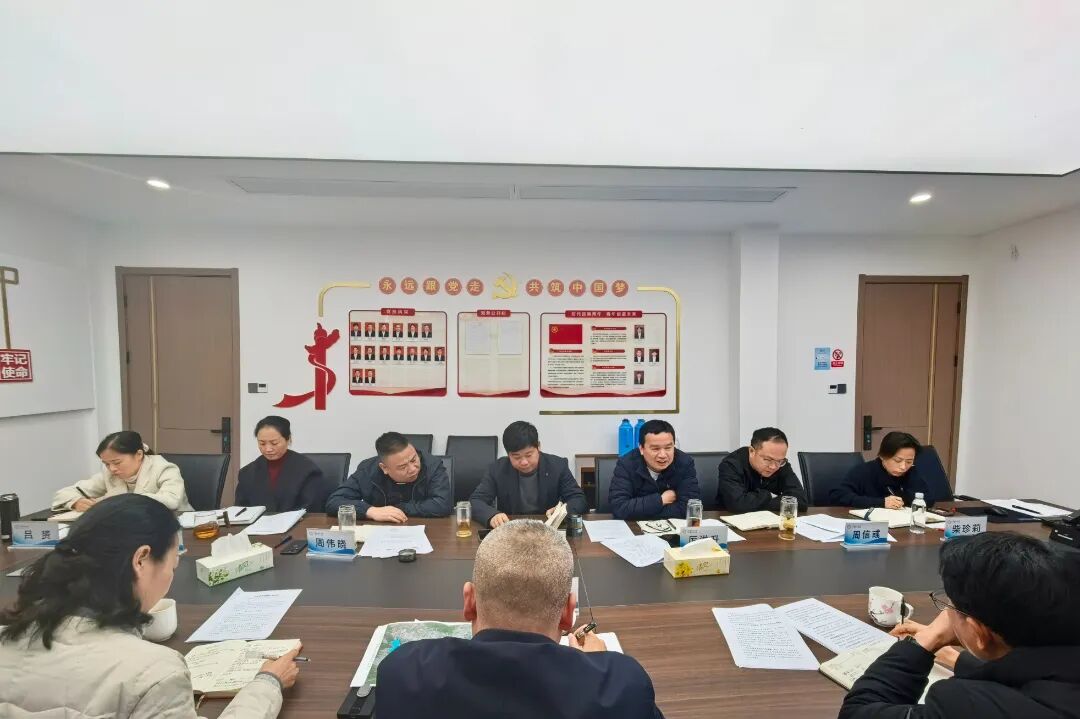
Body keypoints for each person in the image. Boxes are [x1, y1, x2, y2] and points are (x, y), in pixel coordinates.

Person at [0, 494, 300, 718]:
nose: (171, 576)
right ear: (141, 559)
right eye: (172, 564)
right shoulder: (154, 673)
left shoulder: (8, 636)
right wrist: (267, 683)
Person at [376, 520, 664, 719]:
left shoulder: (405, 671)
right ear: (568, 613)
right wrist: (597, 668)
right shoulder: (621, 685)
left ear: (469, 602)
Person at [839, 532, 1080, 719]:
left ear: (978, 633)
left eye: (951, 605)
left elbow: (857, 713)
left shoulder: (963, 705)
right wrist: (957, 658)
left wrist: (928, 638)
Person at [470, 421, 589, 528]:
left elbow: (579, 499)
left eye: (529, 455)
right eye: (516, 457)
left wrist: (561, 511)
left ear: (538, 447)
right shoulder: (497, 469)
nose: (524, 462)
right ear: (508, 454)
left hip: (547, 529)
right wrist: (492, 516)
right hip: (512, 530)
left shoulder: (557, 466)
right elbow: (476, 501)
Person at [51, 431, 193, 514]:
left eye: (117, 462)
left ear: (139, 455)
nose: (112, 468)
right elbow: (63, 493)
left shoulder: (163, 468)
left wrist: (122, 501)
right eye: (106, 464)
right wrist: (76, 502)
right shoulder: (110, 474)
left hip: (174, 529)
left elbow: (171, 501)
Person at [325, 432, 451, 521]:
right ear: (384, 468)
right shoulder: (367, 470)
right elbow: (334, 502)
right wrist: (370, 511)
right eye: (403, 467)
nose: (413, 469)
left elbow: (442, 505)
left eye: (414, 459)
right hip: (379, 534)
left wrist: (397, 509)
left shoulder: (432, 465)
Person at [235, 416, 334, 513]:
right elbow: (240, 510)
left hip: (298, 523)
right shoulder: (247, 473)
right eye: (262, 443)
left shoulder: (308, 470)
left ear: (288, 439)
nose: (268, 449)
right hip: (257, 524)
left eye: (274, 443)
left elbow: (311, 509)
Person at [608, 420, 700, 520]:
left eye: (668, 448)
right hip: (634, 528)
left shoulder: (684, 462)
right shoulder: (626, 464)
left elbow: (690, 508)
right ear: (641, 449)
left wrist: (642, 511)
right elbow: (619, 508)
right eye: (655, 449)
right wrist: (661, 500)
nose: (663, 455)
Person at [831, 432, 934, 508]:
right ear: (882, 456)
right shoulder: (864, 471)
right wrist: (881, 502)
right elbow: (838, 496)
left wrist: (904, 499)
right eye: (898, 460)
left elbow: (929, 499)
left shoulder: (911, 472)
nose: (903, 467)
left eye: (909, 461)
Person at [716, 427, 807, 513]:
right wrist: (770, 495)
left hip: (770, 521)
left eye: (779, 461)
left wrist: (758, 502)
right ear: (752, 451)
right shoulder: (731, 465)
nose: (773, 467)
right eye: (767, 459)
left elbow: (801, 501)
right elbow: (737, 504)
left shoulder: (781, 465)